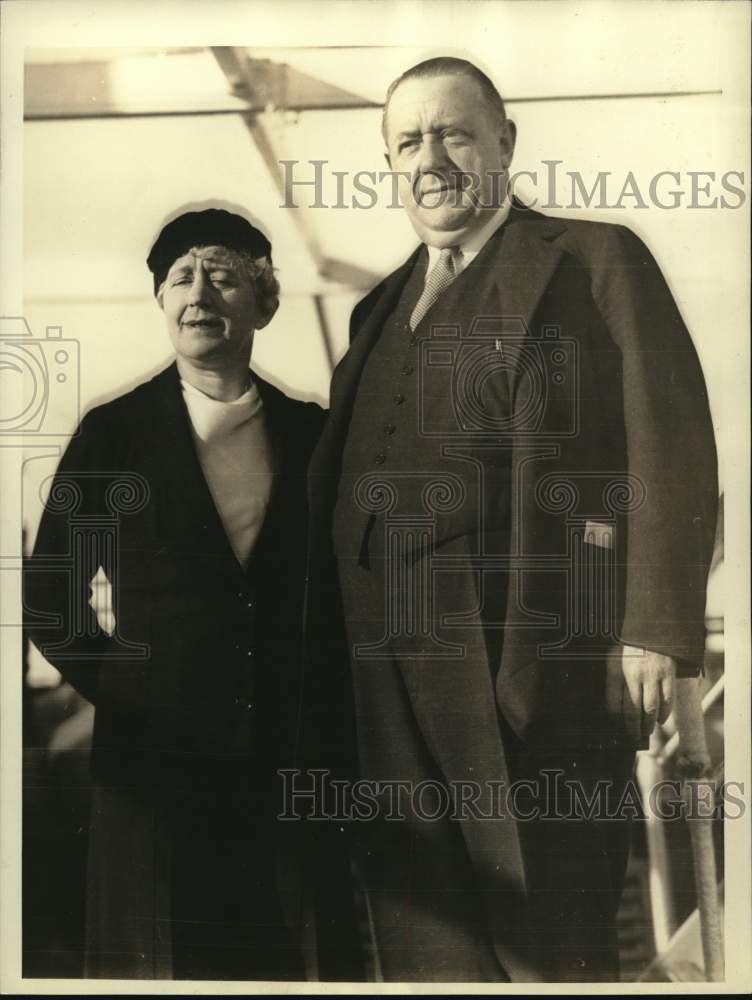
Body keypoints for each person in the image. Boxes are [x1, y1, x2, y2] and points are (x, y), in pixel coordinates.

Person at [304, 58, 718, 982]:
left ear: (505, 142)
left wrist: (652, 628)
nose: (431, 157)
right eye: (408, 140)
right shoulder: (376, 307)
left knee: (545, 939)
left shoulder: (594, 258)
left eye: (453, 132)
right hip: (385, 676)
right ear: (389, 162)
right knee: (427, 936)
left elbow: (669, 437)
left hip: (531, 661)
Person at [24, 208, 324, 980]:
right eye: (180, 278)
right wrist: (130, 690)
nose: (199, 294)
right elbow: (51, 599)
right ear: (160, 302)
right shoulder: (115, 434)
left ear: (265, 301)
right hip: (155, 767)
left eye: (222, 275)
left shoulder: (312, 435)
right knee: (165, 956)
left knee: (292, 953)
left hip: (291, 757)